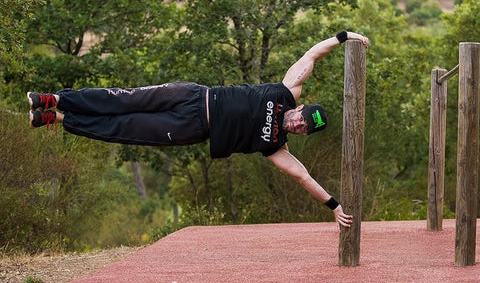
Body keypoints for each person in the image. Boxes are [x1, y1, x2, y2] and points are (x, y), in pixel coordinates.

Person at [27, 30, 369, 227]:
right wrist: (345, 37)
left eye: (302, 130)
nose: (297, 126)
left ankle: (55, 119)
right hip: (192, 94)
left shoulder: (275, 146)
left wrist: (334, 206)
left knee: (126, 128)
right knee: (123, 99)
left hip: (189, 127)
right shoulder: (285, 91)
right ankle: (56, 99)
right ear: (301, 107)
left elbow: (303, 176)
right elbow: (312, 54)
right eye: (301, 119)